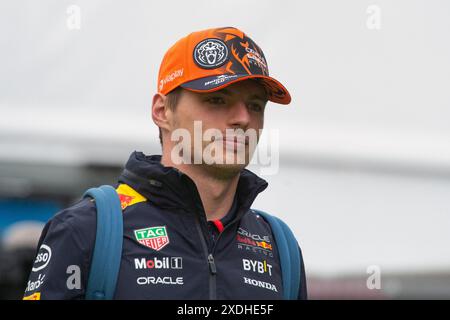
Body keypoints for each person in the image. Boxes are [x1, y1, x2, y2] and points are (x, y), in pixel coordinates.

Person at [23, 26, 307, 300]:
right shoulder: (87, 230)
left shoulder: (279, 247)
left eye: (255, 105)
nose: (243, 119)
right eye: (218, 99)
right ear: (161, 111)